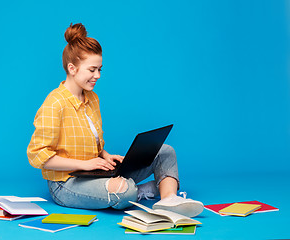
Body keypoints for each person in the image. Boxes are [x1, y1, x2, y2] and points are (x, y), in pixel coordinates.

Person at [27, 23, 204, 217]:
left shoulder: (92, 98)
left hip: (95, 171)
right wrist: (85, 165)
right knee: (125, 191)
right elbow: (38, 156)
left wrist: (105, 155)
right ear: (72, 68)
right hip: (66, 183)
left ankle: (168, 199)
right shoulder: (54, 104)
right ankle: (142, 190)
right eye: (92, 69)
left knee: (165, 151)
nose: (98, 76)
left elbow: (88, 141)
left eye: (100, 69)